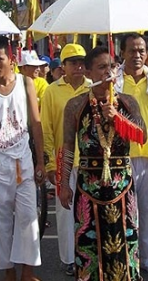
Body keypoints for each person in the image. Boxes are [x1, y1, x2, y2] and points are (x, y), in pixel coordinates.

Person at [59, 46, 146, 281]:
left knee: (126, 242)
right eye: (101, 67)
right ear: (88, 71)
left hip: (122, 186)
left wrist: (117, 118)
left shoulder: (128, 102)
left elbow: (142, 136)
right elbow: (67, 146)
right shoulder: (76, 106)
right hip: (88, 184)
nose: (108, 71)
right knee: (88, 242)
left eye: (111, 66)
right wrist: (63, 183)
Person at [0, 36, 45, 281]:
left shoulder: (27, 83)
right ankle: (8, 271)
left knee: (28, 217)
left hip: (22, 160)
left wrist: (41, 161)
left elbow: (36, 123)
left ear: (12, 58)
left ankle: (28, 271)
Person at [115, 32, 148, 275]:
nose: (137, 55)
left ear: (147, 53)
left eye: (141, 51)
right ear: (122, 53)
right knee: (124, 209)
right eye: (132, 51)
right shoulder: (114, 82)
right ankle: (125, 255)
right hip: (120, 156)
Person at [40, 43, 90, 276]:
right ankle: (68, 258)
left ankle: (88, 255)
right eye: (73, 62)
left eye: (81, 62)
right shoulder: (52, 91)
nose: (78, 66)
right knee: (65, 211)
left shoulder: (93, 88)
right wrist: (49, 162)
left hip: (90, 158)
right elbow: (47, 129)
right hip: (64, 160)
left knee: (88, 211)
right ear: (63, 66)